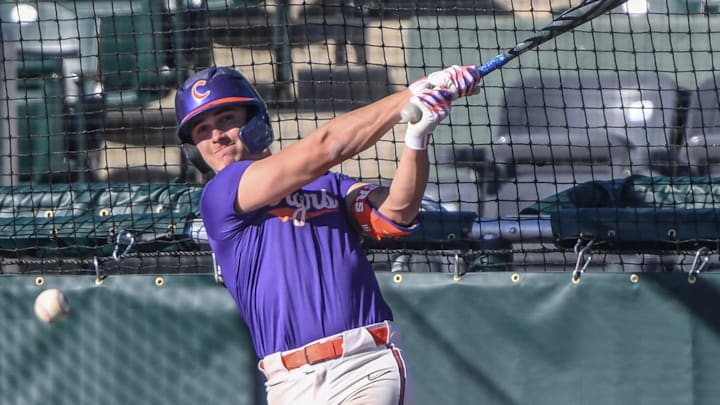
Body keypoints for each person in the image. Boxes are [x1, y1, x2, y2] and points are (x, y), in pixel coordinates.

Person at [174, 65, 481, 405]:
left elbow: (396, 214)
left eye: (226, 118)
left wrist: (417, 138)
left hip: (365, 365)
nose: (216, 135)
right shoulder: (220, 195)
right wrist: (413, 94)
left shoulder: (330, 185)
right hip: (287, 382)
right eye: (202, 129)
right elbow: (327, 146)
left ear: (255, 121)